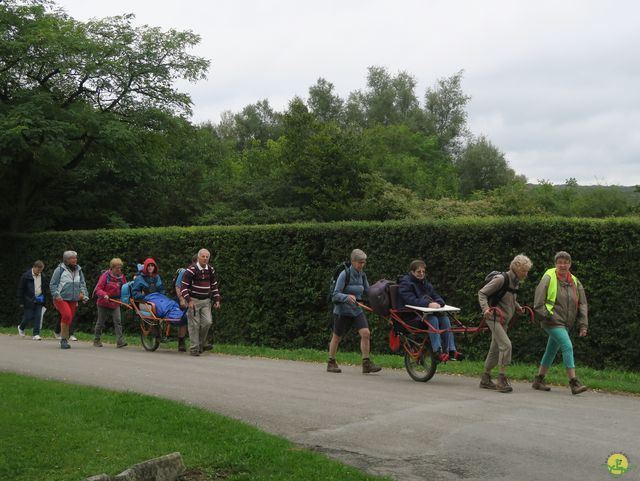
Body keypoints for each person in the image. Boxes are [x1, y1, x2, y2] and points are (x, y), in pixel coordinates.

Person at [532, 251, 589, 395]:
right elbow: (538, 301)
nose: (562, 265)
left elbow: (582, 304)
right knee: (567, 346)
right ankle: (574, 383)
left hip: (565, 324)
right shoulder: (548, 277)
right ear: (555, 264)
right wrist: (546, 317)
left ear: (570, 264)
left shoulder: (575, 281)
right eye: (559, 262)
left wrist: (583, 324)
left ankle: (538, 380)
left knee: (551, 351)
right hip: (551, 321)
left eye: (565, 262)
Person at [478, 254, 533, 393]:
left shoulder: (515, 282)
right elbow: (482, 293)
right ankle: (501, 379)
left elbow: (509, 298)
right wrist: (485, 309)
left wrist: (518, 307)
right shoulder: (501, 279)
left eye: (527, 271)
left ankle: (485, 378)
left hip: (504, 320)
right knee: (506, 345)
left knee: (495, 348)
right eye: (524, 271)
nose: (526, 274)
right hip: (494, 318)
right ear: (516, 268)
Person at [397, 260, 465, 363]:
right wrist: (428, 304)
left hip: (424, 315)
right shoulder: (405, 283)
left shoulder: (425, 283)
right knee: (433, 319)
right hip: (411, 316)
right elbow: (410, 300)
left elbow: (435, 295)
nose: (421, 274)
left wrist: (439, 303)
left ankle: (451, 351)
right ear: (412, 272)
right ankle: (437, 352)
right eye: (418, 272)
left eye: (423, 271)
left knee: (445, 319)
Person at [327, 249, 381, 374]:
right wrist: (346, 297)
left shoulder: (362, 275)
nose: (362, 265)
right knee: (337, 337)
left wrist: (380, 295)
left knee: (366, 333)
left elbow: (368, 292)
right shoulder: (344, 274)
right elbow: (335, 295)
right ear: (353, 262)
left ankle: (366, 363)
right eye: (360, 262)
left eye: (364, 262)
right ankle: (331, 362)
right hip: (342, 311)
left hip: (357, 310)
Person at [180, 248, 221, 356]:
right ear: (198, 257)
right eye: (203, 256)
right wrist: (188, 300)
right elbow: (183, 287)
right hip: (194, 300)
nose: (205, 258)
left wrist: (217, 299)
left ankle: (201, 344)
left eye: (207, 257)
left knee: (208, 322)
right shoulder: (191, 270)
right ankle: (194, 349)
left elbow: (214, 285)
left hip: (206, 300)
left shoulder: (210, 269)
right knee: (194, 325)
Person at [49, 251, 89, 349]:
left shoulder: (79, 270)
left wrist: (85, 295)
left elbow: (82, 283)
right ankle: (63, 340)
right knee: (66, 315)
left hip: (73, 298)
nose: (75, 260)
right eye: (72, 258)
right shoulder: (59, 270)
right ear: (66, 260)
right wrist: (56, 295)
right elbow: (53, 284)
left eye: (75, 258)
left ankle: (63, 336)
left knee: (69, 318)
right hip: (61, 298)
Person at [93, 258, 128, 348]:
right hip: (103, 303)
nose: (119, 270)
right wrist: (104, 295)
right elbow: (98, 289)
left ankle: (120, 341)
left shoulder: (121, 277)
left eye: (120, 268)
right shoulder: (105, 276)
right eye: (117, 268)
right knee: (100, 322)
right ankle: (96, 340)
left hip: (115, 303)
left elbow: (125, 288)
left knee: (118, 321)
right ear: (112, 268)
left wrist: (125, 298)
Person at [17, 260, 49, 340]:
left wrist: (44, 298)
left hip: (39, 299)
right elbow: (21, 289)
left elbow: (45, 288)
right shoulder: (25, 276)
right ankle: (21, 327)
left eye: (41, 270)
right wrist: (20, 301)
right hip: (28, 299)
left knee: (38, 316)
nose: (39, 272)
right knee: (28, 316)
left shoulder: (43, 276)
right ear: (34, 267)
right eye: (38, 270)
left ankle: (36, 334)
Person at [173, 255, 198, 352]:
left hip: (193, 299)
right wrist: (181, 299)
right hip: (182, 298)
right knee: (184, 319)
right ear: (193, 263)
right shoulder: (184, 272)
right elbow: (178, 286)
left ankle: (197, 343)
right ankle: (181, 341)